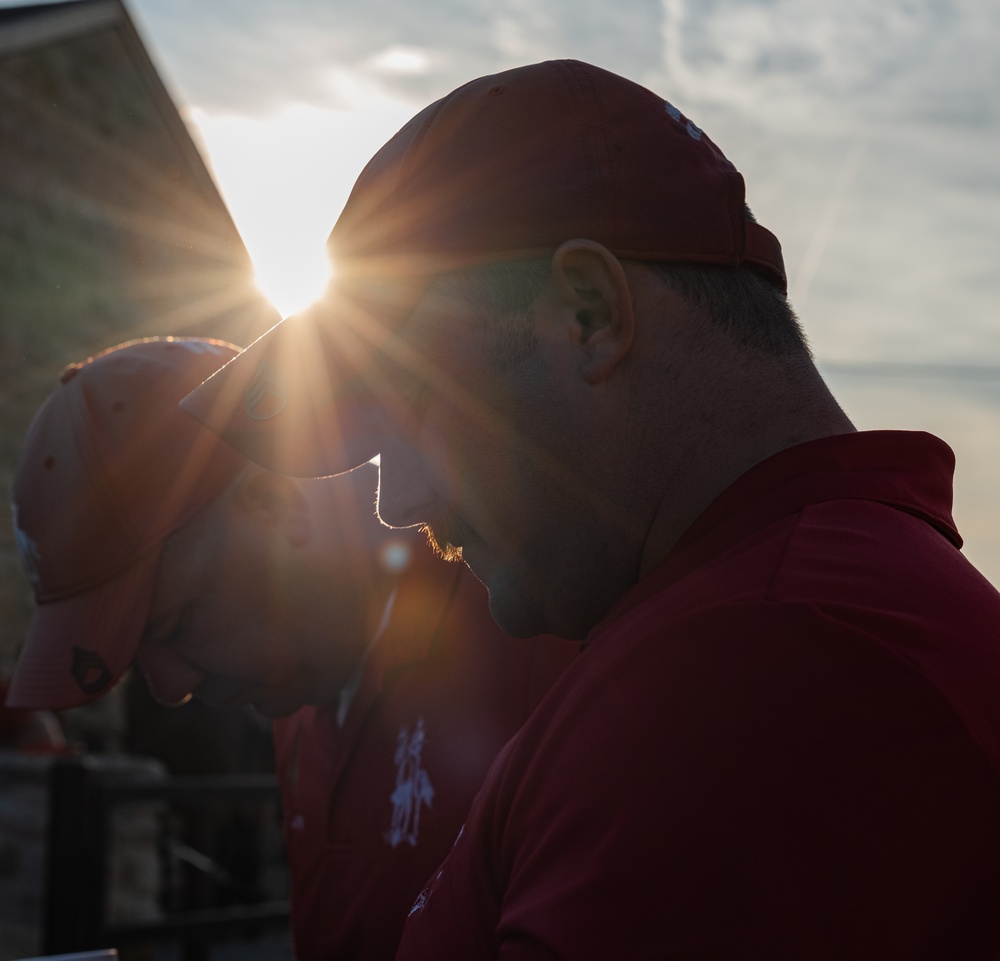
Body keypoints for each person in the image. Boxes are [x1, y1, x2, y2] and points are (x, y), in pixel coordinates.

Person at [182, 60, 1000, 959]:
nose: (397, 500)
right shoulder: (811, 603)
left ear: (588, 314)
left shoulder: (750, 670)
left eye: (410, 399)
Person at [6, 336, 577, 961]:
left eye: (171, 625)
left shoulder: (532, 629)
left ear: (275, 503)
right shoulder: (297, 696)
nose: (170, 690)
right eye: (139, 657)